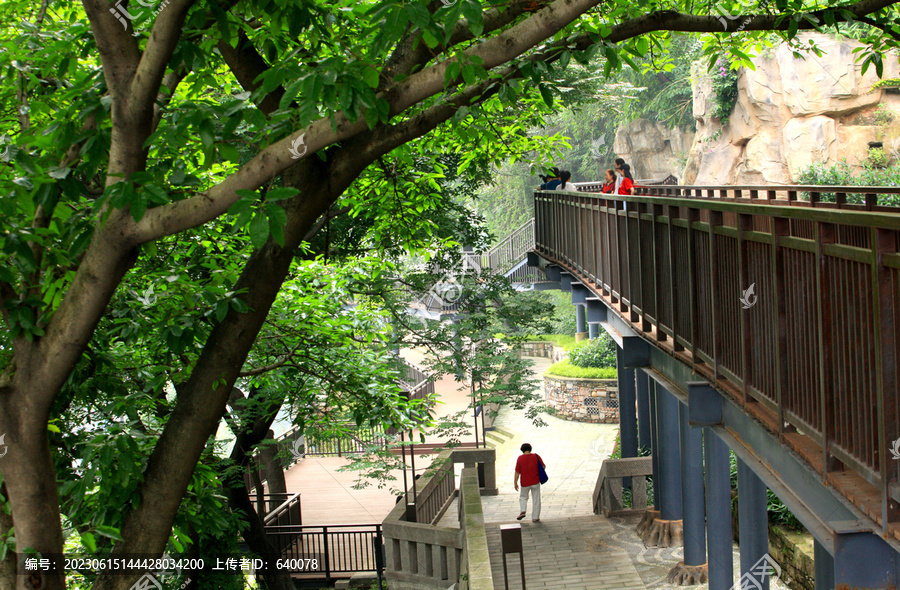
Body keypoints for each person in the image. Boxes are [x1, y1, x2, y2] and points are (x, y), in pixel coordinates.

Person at [514, 443, 546, 522]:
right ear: (530, 449)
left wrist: (515, 482)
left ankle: (523, 510)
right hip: (535, 481)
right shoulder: (536, 456)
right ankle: (535, 517)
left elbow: (517, 472)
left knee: (523, 497)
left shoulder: (520, 458)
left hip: (525, 482)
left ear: (522, 450)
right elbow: (543, 466)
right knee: (536, 499)